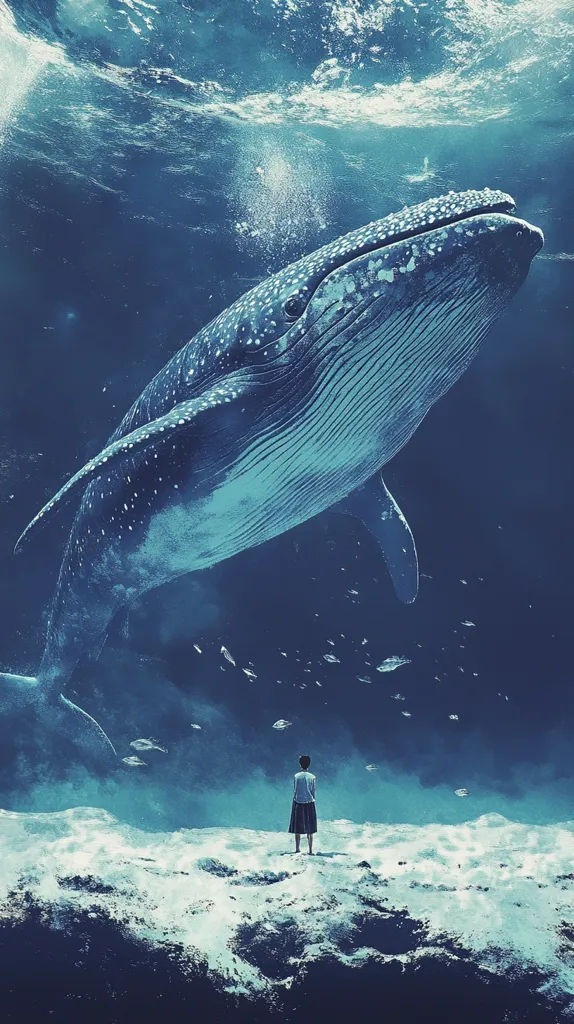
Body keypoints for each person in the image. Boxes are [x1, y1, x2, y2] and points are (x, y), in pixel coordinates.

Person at [288, 754, 317, 854]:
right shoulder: (312, 777)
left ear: (300, 765)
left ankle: (297, 848)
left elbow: (295, 790)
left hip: (298, 802)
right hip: (309, 802)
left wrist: (295, 799)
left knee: (297, 828)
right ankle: (310, 850)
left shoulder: (296, 776)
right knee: (310, 828)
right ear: (309, 765)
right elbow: (313, 791)